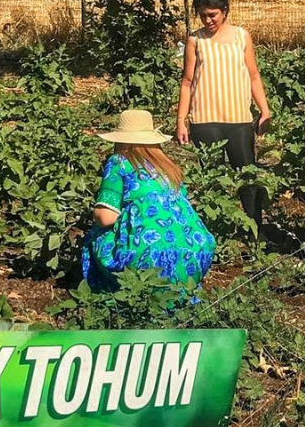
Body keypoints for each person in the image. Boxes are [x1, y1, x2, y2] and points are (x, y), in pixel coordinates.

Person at [83, 110, 217, 293]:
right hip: (196, 252)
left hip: (148, 258)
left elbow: (105, 217)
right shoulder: (168, 166)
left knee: (96, 235)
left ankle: (109, 294)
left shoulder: (120, 161)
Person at [175, 0, 273, 229]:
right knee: (212, 181)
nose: (208, 20)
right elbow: (187, 82)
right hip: (205, 120)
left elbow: (253, 75)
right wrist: (181, 120)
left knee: (247, 178)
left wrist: (265, 109)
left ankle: (254, 231)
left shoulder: (241, 36)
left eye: (213, 15)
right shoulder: (195, 41)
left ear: (225, 11)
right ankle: (215, 232)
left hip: (239, 119)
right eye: (203, 15)